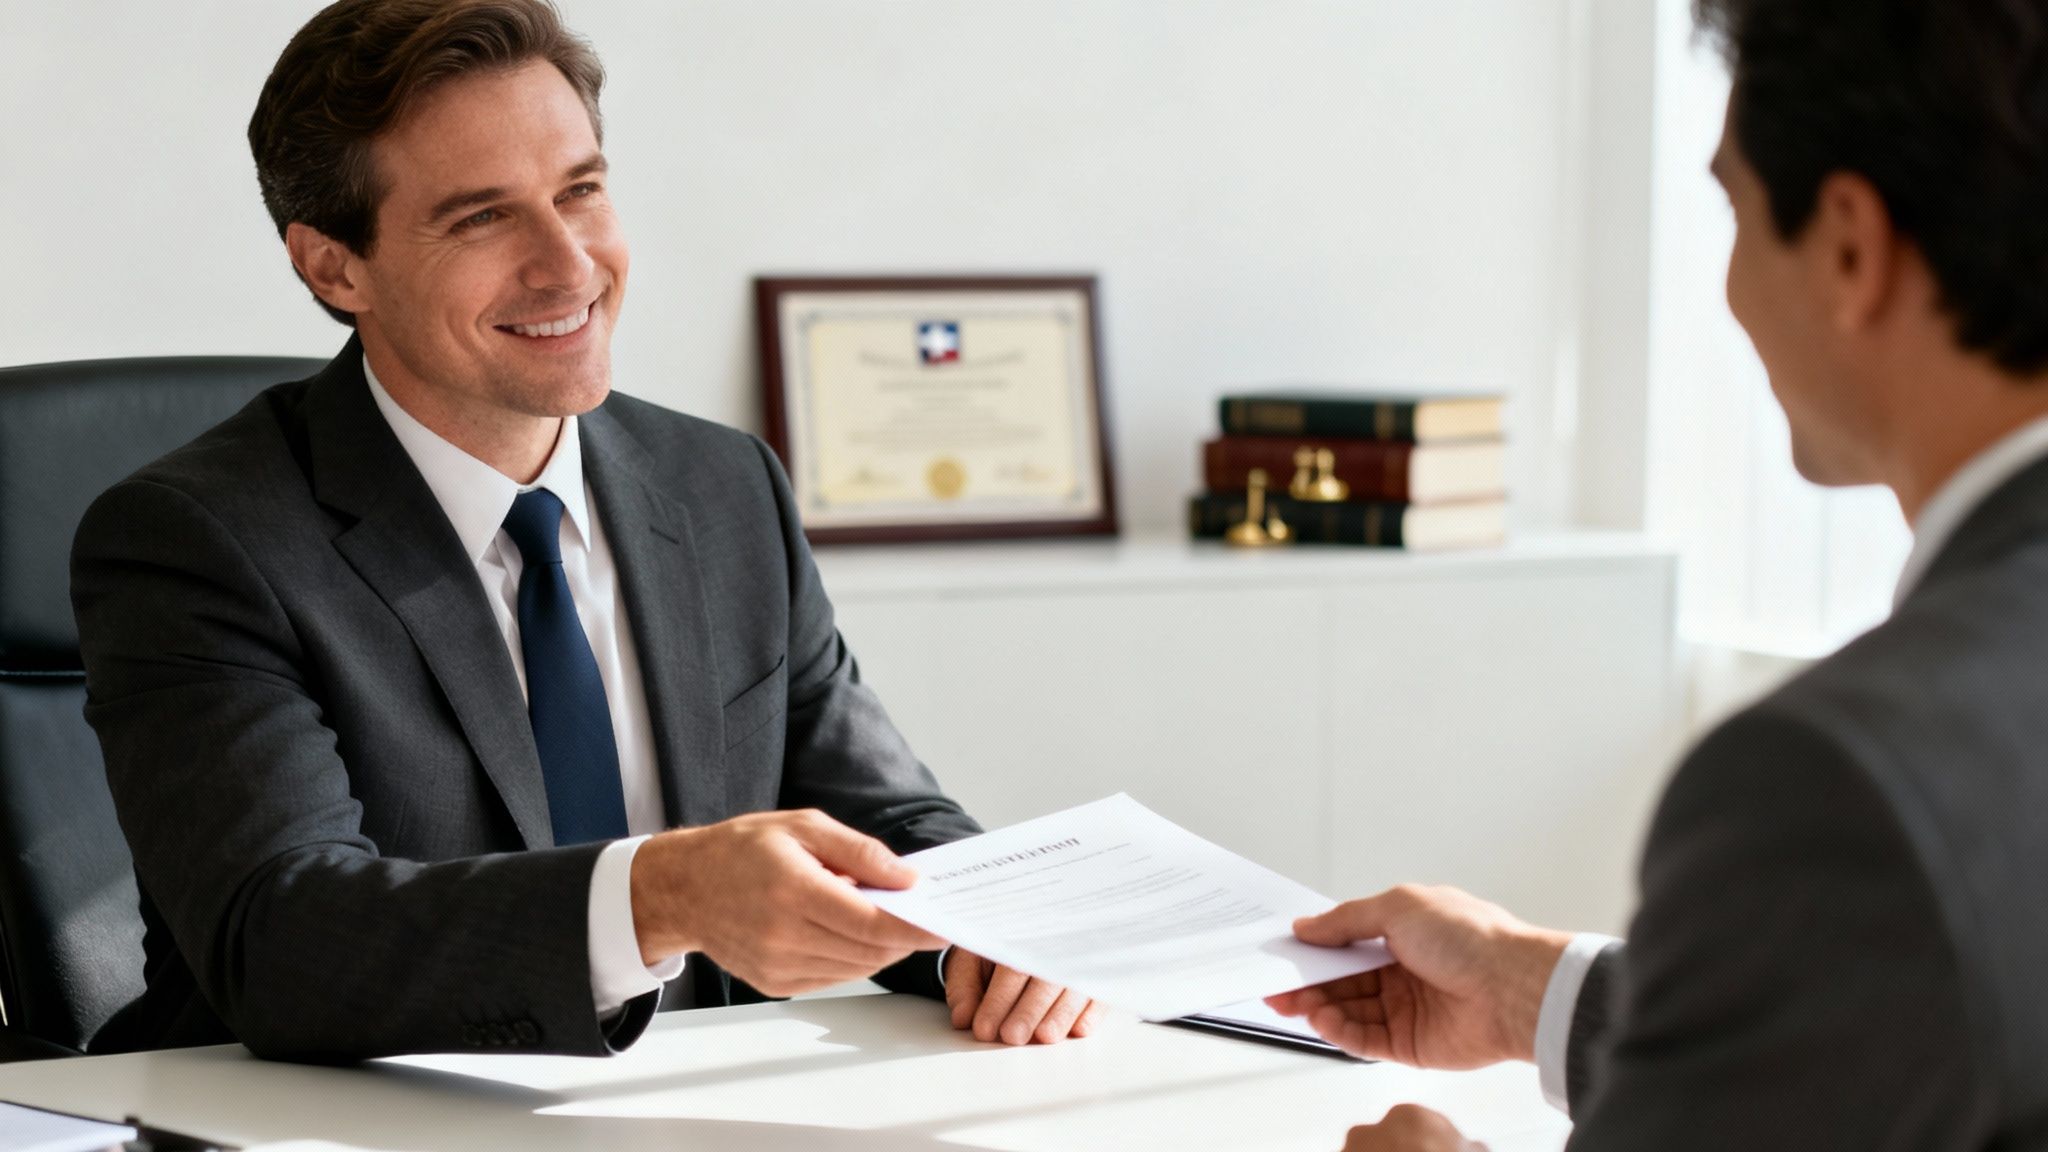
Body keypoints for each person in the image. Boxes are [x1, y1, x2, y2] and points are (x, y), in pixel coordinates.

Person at [69, 0, 1097, 1060]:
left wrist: (981, 934)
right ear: (335, 268)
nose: (568, 266)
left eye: (581, 190)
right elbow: (277, 940)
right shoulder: (199, 539)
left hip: (698, 1117)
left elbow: (883, 818)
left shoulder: (720, 484)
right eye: (480, 218)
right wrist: (659, 897)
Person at [1269, 0, 2048, 1147]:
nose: (1727, 294)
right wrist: (1529, 989)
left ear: (1846, 244)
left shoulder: (1837, 780)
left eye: (1731, 208)